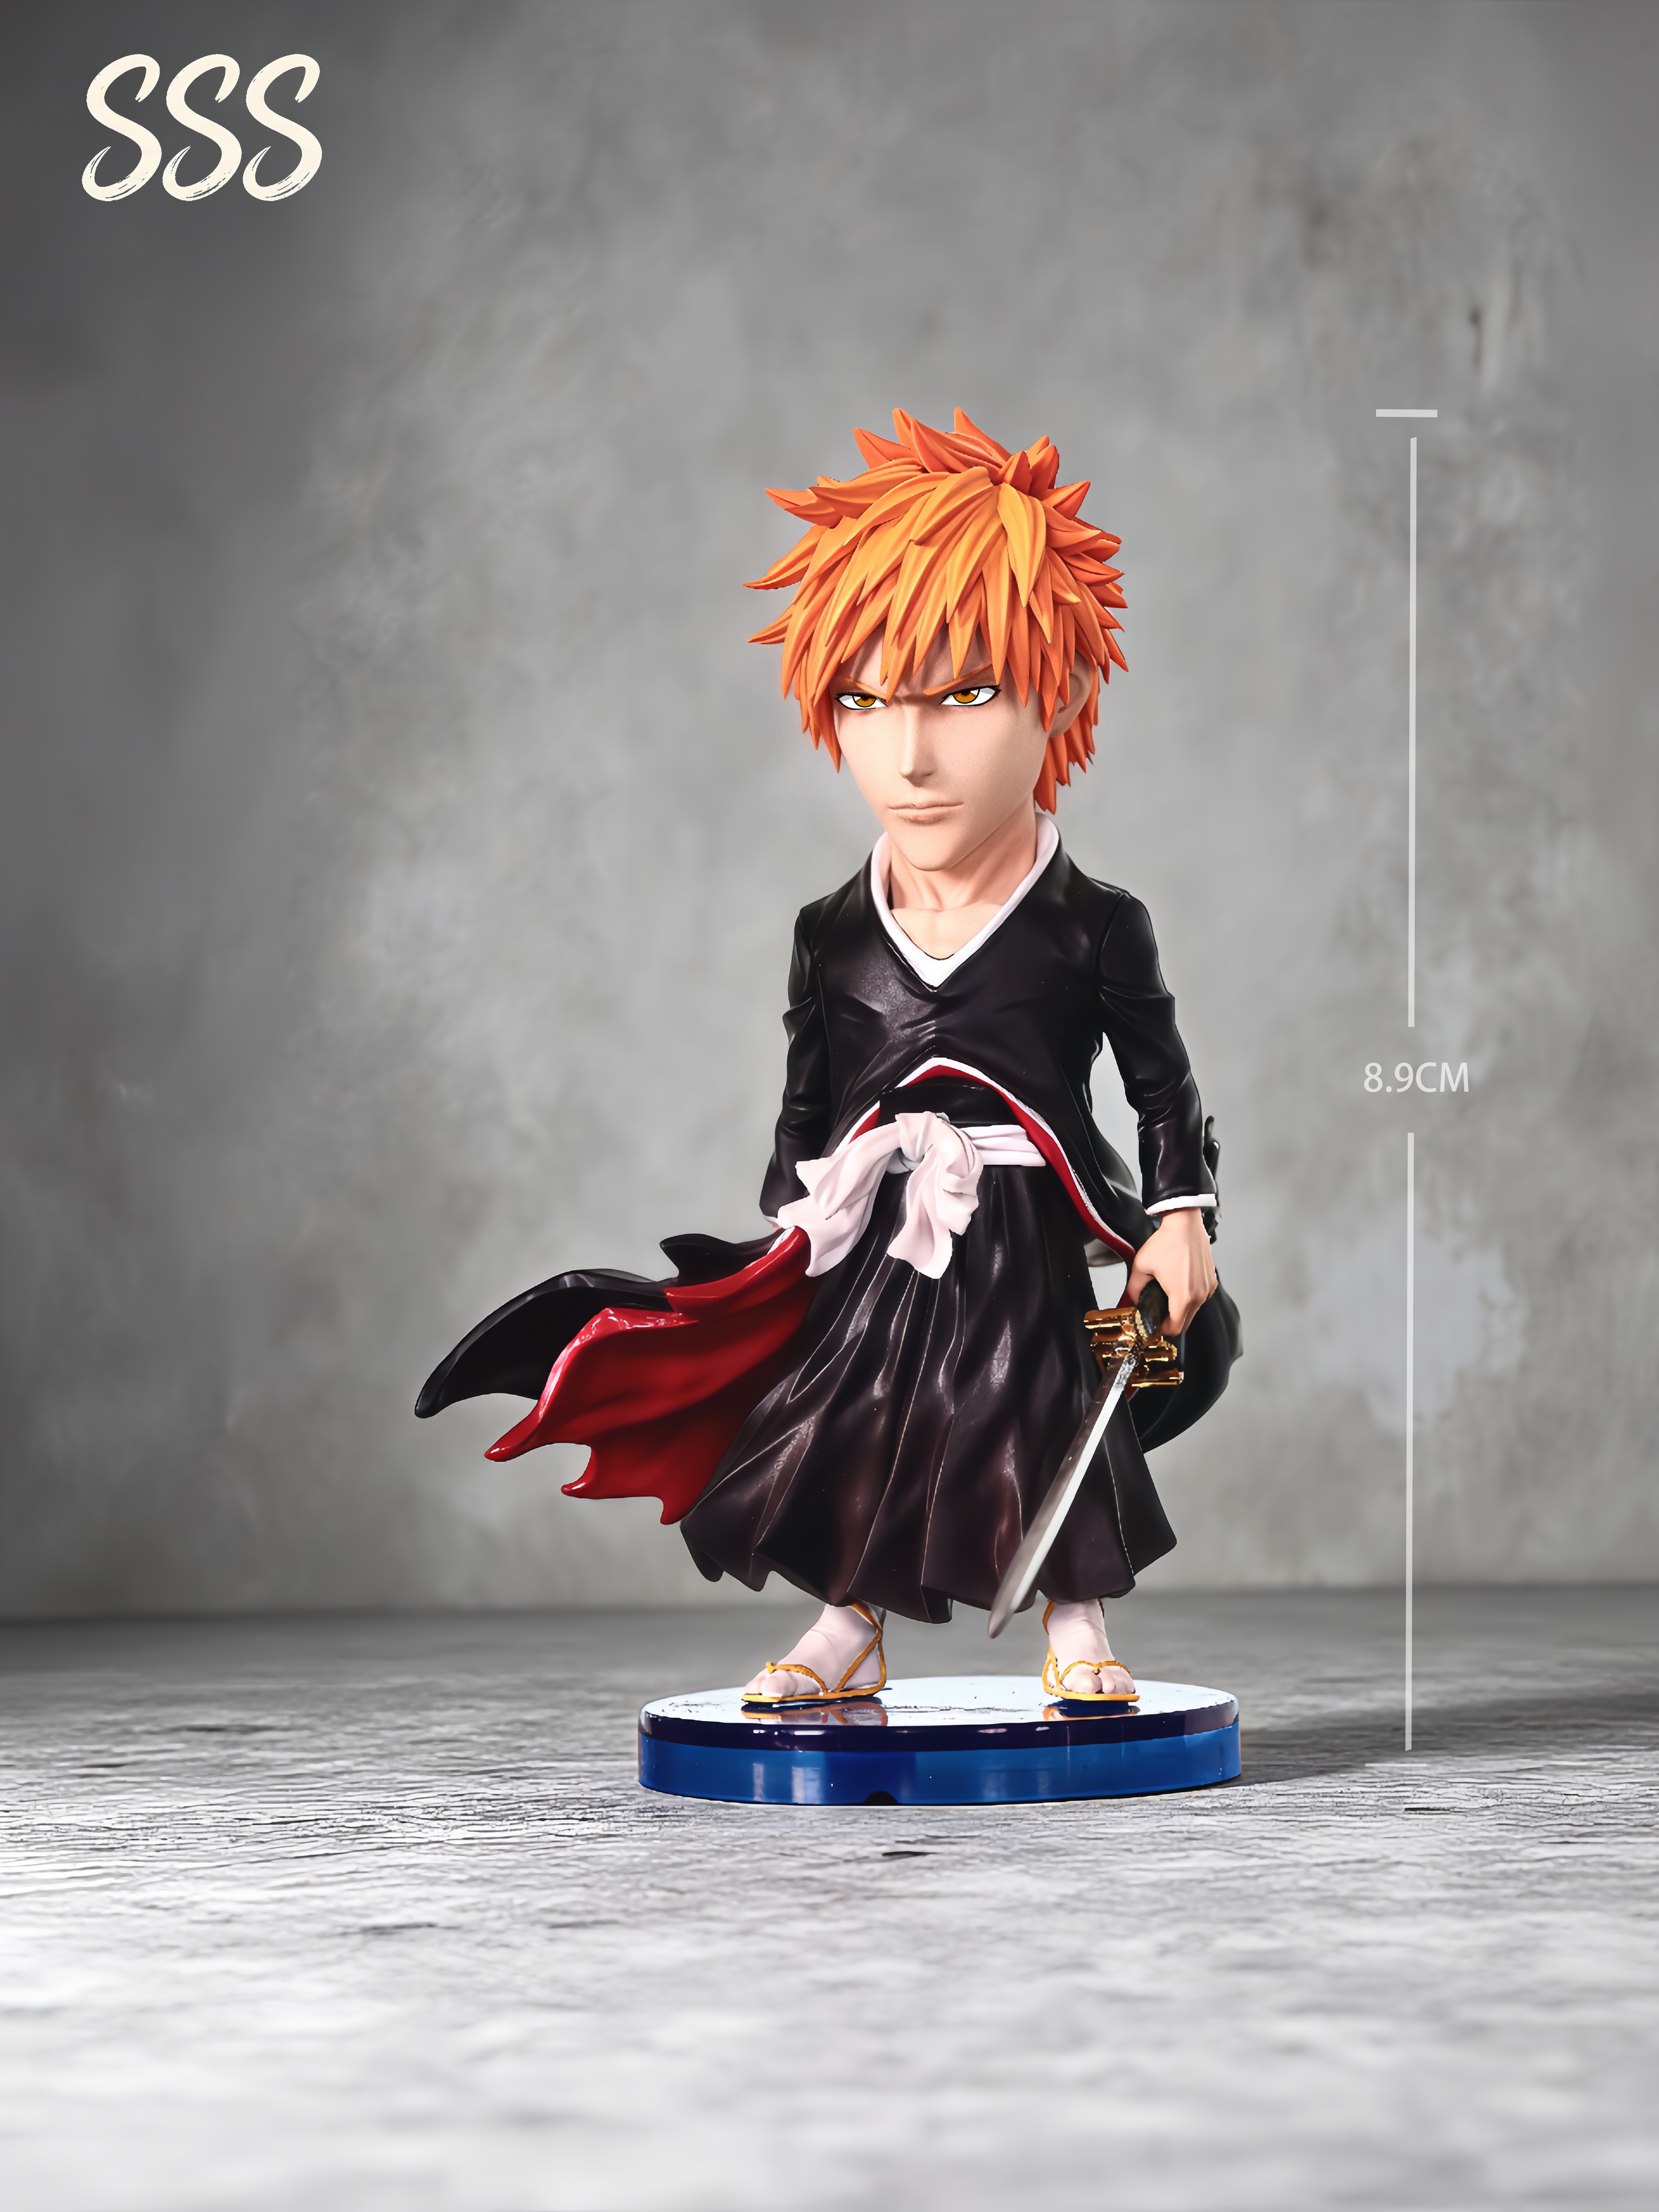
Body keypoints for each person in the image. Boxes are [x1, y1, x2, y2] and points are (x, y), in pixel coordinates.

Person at [416, 409, 1240, 1708]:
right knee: (855, 1418)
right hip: (876, 1230)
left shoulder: (1092, 923)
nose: (909, 757)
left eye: (966, 695)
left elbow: (1161, 1088)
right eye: (865, 701)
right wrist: (788, 1238)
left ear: (1065, 696)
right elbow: (810, 1099)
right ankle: (848, 1623)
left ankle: (1077, 1619)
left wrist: (1181, 1216)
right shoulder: (834, 931)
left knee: (1040, 1411)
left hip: (1032, 1231)